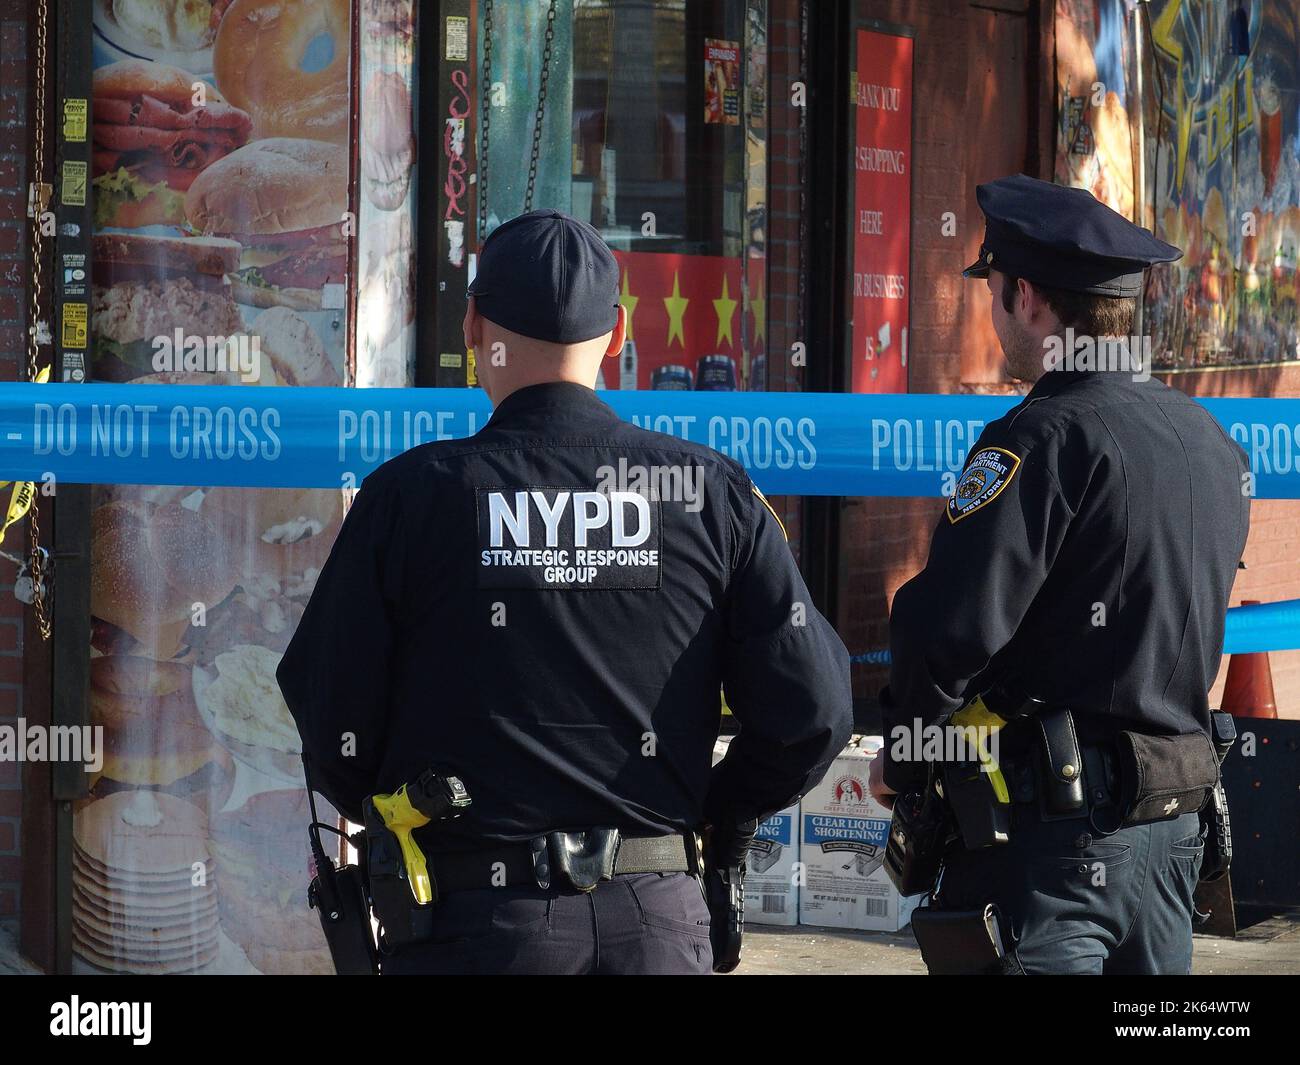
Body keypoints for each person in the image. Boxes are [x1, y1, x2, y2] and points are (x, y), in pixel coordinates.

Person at [277, 208, 853, 975]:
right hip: (659, 920)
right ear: (616, 333)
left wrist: (417, 806)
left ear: (475, 324)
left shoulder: (410, 499)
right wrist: (714, 805)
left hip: (476, 926)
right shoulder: (708, 493)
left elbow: (330, 717)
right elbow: (814, 712)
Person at [869, 174, 1250, 975]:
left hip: (1055, 846)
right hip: (1172, 834)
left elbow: (948, 632)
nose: (995, 312)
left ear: (1029, 297)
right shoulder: (1209, 442)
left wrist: (900, 755)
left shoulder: (1035, 441)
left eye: (996, 291)